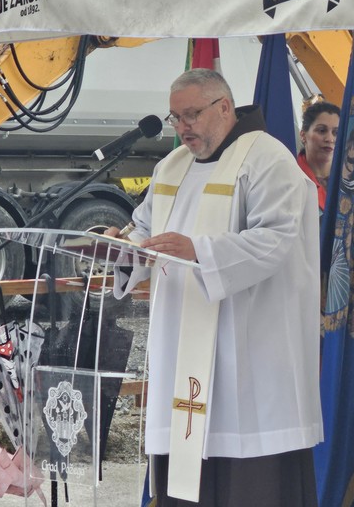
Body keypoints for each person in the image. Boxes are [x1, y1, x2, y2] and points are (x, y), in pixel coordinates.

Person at [111, 68, 323, 507]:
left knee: (249, 483)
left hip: (248, 354)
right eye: (175, 118)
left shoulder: (268, 160)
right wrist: (122, 249)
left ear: (224, 107)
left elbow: (276, 239)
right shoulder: (172, 166)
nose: (182, 127)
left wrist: (200, 252)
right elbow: (144, 230)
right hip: (180, 351)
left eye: (191, 115)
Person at [297, 101, 340, 213]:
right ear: (303, 135)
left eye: (336, 132)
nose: (330, 139)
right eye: (322, 131)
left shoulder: (350, 178)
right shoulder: (291, 176)